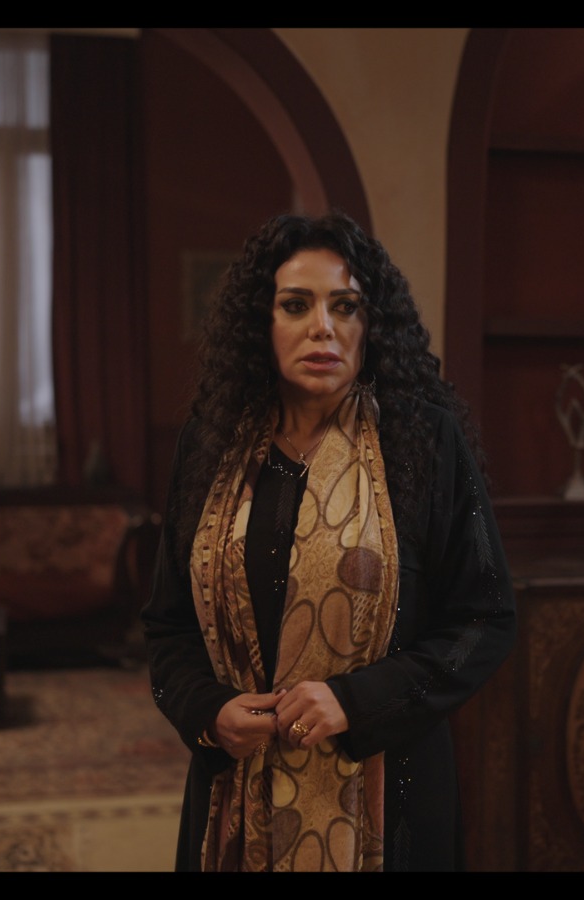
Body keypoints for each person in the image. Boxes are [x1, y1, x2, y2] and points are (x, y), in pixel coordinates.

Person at [140, 210, 517, 872]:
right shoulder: (209, 447)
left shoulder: (423, 443)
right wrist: (209, 713)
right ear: (261, 323)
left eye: (345, 306)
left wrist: (352, 702)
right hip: (236, 792)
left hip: (389, 792)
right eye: (296, 305)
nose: (323, 327)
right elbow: (168, 626)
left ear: (371, 325)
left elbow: (484, 620)